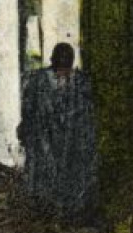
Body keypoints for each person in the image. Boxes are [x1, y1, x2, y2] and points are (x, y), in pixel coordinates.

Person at [18, 42, 99, 221]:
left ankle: (69, 210)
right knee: (44, 171)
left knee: (70, 171)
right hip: (44, 135)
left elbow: (86, 111)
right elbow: (29, 110)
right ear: (52, 62)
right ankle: (45, 210)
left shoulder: (80, 82)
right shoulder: (37, 80)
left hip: (69, 136)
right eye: (59, 69)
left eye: (66, 69)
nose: (63, 74)